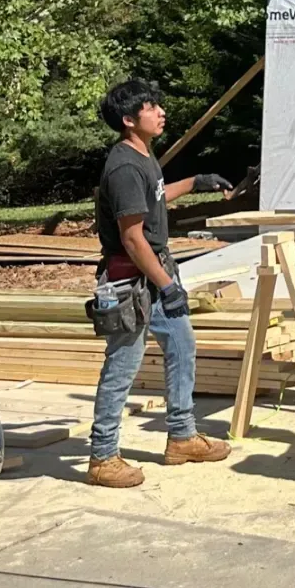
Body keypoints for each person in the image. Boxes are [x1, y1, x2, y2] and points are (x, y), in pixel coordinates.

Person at [86, 78, 235, 488]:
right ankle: (102, 457)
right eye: (151, 107)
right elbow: (133, 238)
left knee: (182, 344)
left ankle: (183, 437)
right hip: (131, 282)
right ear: (129, 119)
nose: (160, 112)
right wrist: (167, 285)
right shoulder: (123, 167)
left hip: (152, 276)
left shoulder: (143, 156)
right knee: (123, 364)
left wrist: (196, 182)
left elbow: (153, 197)